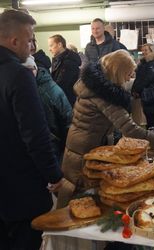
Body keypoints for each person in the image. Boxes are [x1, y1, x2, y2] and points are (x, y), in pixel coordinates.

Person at [58, 49, 154, 208]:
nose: (129, 78)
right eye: (128, 74)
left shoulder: (96, 84)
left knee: (79, 190)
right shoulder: (103, 94)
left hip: (82, 144)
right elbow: (129, 129)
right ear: (118, 72)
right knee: (78, 194)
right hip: (85, 149)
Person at [0, 9, 63, 250]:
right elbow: (35, 134)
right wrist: (54, 175)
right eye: (30, 39)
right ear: (14, 41)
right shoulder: (19, 75)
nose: (33, 46)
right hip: (21, 188)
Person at [22, 56, 72, 162]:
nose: (28, 74)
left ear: (36, 69)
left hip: (52, 146)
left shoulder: (51, 90)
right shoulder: (18, 89)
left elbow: (67, 118)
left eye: (30, 69)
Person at [131, 43, 154, 128]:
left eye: (146, 50)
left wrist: (137, 89)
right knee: (148, 117)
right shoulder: (144, 63)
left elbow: (147, 79)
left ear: (152, 51)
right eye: (142, 50)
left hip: (150, 95)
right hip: (145, 94)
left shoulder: (153, 64)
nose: (143, 52)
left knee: (151, 118)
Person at [48, 34, 81, 106]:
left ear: (59, 44)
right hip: (63, 100)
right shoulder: (58, 60)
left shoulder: (69, 62)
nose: (49, 49)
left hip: (67, 101)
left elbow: (62, 85)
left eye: (51, 45)